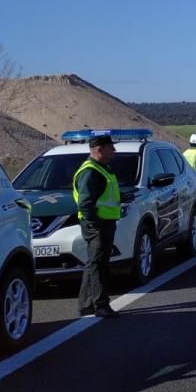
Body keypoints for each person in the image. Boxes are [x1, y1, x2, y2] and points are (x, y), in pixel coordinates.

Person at [72, 134, 121, 318]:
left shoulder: (102, 169)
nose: (114, 151)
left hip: (103, 222)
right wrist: (95, 224)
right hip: (97, 224)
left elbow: (103, 197)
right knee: (98, 265)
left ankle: (86, 305)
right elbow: (85, 203)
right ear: (99, 149)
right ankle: (100, 305)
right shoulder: (91, 171)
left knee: (94, 263)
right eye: (111, 147)